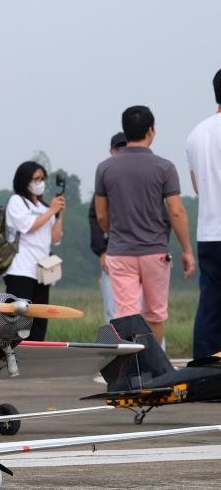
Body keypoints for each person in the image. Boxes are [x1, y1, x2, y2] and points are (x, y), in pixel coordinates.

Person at [95, 105, 196, 347]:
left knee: (126, 315)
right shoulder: (164, 167)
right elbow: (176, 211)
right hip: (155, 251)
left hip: (121, 252)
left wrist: (113, 232)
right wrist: (187, 250)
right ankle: (152, 365)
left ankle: (130, 370)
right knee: (155, 315)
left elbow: (100, 215)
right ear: (151, 131)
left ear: (125, 131)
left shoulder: (106, 168)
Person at [3, 160, 65, 341]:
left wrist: (59, 214)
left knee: (40, 319)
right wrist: (51, 211)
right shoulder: (17, 202)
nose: (40, 183)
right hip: (20, 269)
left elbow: (55, 238)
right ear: (25, 181)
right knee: (19, 318)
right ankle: (13, 352)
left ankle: (37, 349)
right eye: (36, 179)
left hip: (42, 271)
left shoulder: (45, 208)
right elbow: (28, 226)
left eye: (42, 179)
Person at [187, 70, 221, 360]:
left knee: (210, 307)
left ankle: (205, 372)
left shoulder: (197, 134)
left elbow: (197, 186)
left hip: (209, 232)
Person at [89, 132, 128, 323]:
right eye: (118, 149)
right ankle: (116, 352)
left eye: (125, 148)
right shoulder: (104, 178)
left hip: (142, 251)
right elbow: (96, 216)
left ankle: (146, 352)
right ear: (112, 151)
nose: (121, 153)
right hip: (112, 252)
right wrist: (102, 251)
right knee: (112, 311)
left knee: (144, 312)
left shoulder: (143, 174)